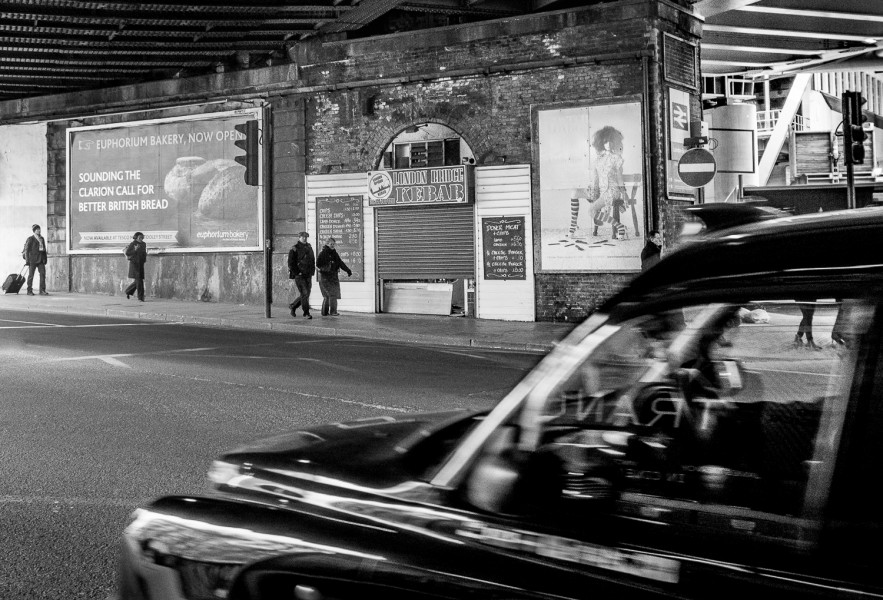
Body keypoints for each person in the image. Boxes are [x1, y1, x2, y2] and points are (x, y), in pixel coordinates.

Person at [315, 237, 352, 316]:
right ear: (327, 244)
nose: (332, 245)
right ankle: (333, 312)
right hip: (325, 277)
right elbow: (318, 264)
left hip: (333, 277)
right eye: (330, 244)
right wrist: (327, 267)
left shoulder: (334, 253)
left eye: (333, 244)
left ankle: (324, 313)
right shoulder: (323, 253)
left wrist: (347, 270)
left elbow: (340, 263)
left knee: (330, 295)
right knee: (331, 294)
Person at [288, 231, 315, 319]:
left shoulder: (309, 247)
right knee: (305, 293)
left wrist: (312, 271)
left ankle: (293, 306)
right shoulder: (294, 249)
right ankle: (306, 313)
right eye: (302, 237)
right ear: (299, 238)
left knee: (306, 294)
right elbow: (291, 263)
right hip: (299, 275)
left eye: (306, 237)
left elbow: (312, 260)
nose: (304, 238)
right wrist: (297, 272)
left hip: (308, 274)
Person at [22, 224, 49, 296]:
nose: (39, 230)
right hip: (32, 260)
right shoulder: (30, 239)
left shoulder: (42, 238)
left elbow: (44, 249)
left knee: (43, 274)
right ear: (34, 231)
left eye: (39, 229)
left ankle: (42, 290)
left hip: (40, 260)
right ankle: (29, 290)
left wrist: (45, 259)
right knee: (31, 275)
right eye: (37, 229)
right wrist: (27, 261)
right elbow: (27, 250)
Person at [125, 232, 147, 301]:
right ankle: (140, 297)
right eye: (140, 237)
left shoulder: (144, 244)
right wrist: (135, 249)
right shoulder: (133, 244)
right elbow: (127, 253)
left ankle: (128, 291)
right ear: (136, 237)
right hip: (134, 265)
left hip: (140, 264)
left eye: (142, 237)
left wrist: (144, 259)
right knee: (139, 281)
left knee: (138, 281)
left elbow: (144, 253)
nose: (141, 239)